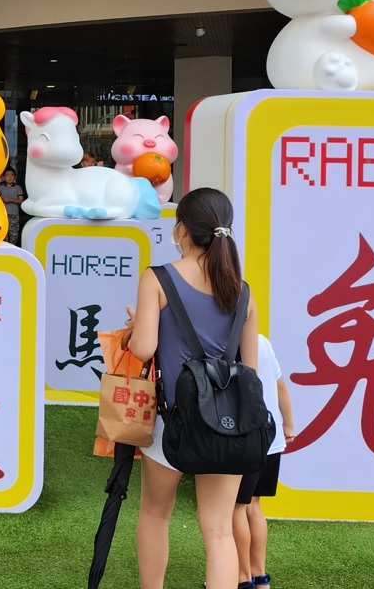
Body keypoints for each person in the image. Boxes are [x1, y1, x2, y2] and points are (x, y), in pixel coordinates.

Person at [126, 187, 259, 589]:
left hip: (173, 420)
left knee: (155, 514)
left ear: (181, 230)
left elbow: (143, 348)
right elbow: (250, 370)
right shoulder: (243, 291)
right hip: (229, 423)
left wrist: (134, 328)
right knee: (218, 531)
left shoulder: (159, 277)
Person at [233, 334, 294, 589]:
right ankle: (260, 577)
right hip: (272, 437)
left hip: (244, 440)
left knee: (236, 508)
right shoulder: (262, 341)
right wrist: (288, 425)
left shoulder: (222, 339)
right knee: (253, 505)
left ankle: (242, 577)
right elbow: (280, 387)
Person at [0, 166, 25, 244]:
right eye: (7, 175)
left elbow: (21, 200)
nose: (9, 177)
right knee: (3, 233)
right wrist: (2, 199)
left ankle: (13, 248)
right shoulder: (1, 188)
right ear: (4, 177)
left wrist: (9, 200)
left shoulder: (18, 188)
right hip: (3, 215)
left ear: (14, 177)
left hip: (14, 215)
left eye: (12, 175)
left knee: (13, 234)